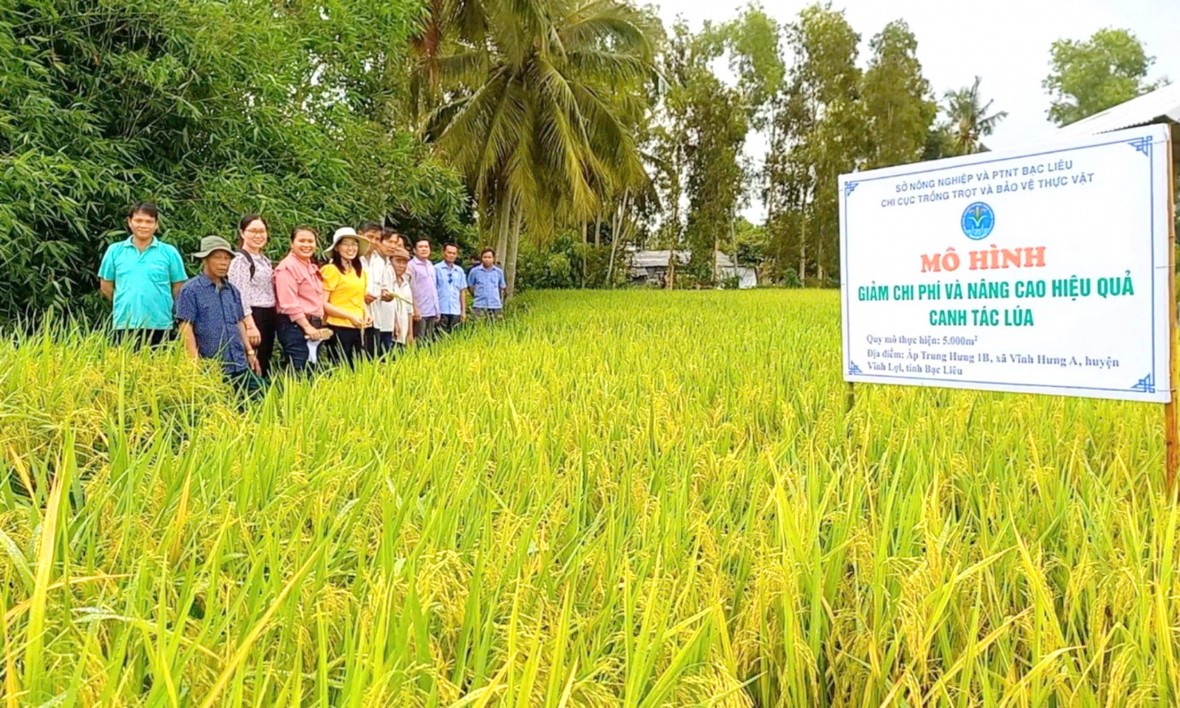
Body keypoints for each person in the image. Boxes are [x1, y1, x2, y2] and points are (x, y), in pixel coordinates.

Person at [175, 236, 263, 395]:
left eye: (227, 258)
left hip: (239, 362)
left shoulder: (232, 290)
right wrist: (193, 361)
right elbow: (185, 326)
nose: (223, 263)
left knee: (260, 400)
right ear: (205, 260)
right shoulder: (191, 290)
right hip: (211, 365)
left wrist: (249, 352)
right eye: (217, 257)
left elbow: (239, 322)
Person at [98, 202, 188, 347]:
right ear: (129, 222)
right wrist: (124, 301)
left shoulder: (169, 252)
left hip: (160, 323)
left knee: (157, 367)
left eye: (149, 221)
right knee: (124, 367)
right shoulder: (115, 251)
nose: (143, 225)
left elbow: (179, 287)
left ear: (156, 225)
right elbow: (106, 286)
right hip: (124, 323)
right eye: (138, 220)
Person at [274, 226, 333, 373]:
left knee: (311, 369)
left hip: (314, 325)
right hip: (296, 326)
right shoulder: (286, 268)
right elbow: (288, 303)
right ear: (291, 243)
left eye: (310, 241)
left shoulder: (310, 267)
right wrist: (307, 327)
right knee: (299, 371)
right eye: (301, 241)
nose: (306, 245)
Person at [227, 215, 277, 377]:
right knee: (254, 362)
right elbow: (239, 295)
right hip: (253, 316)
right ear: (242, 233)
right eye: (253, 231)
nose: (258, 236)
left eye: (262, 231)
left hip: (268, 315)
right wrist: (249, 325)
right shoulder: (240, 260)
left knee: (265, 360)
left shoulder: (264, 260)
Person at [321, 227, 373, 366]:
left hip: (357, 326)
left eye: (354, 244)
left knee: (356, 368)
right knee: (341, 368)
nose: (350, 248)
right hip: (338, 326)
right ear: (337, 248)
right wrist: (349, 316)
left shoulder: (359, 272)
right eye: (345, 244)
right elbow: (324, 303)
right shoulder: (331, 270)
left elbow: (359, 298)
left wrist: (366, 313)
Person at [365, 229, 399, 354]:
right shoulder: (356, 260)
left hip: (380, 319)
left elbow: (384, 288)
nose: (393, 246)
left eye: (396, 243)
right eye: (389, 241)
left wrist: (386, 294)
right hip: (359, 317)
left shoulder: (383, 263)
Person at [409, 238, 441, 342]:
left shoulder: (430, 265)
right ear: (414, 250)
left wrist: (437, 310)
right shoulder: (411, 266)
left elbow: (433, 289)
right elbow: (410, 288)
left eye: (426, 247)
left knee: (428, 341)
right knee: (419, 340)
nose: (424, 249)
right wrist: (415, 309)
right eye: (421, 247)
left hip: (431, 310)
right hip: (420, 311)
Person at [435, 242, 468, 332]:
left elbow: (462, 292)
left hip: (455, 310)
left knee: (454, 337)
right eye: (449, 252)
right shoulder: (436, 269)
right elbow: (433, 291)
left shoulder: (459, 271)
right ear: (443, 253)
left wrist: (463, 311)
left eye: (454, 253)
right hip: (441, 310)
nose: (451, 255)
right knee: (440, 337)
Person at [468, 248, 508, 319]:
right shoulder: (474, 271)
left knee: (496, 327)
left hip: (495, 305)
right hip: (479, 305)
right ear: (481, 258)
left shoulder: (499, 272)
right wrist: (476, 295)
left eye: (489, 257)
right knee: (479, 326)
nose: (487, 259)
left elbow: (502, 287)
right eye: (485, 257)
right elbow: (470, 286)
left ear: (493, 258)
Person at [390, 249, 415, 349]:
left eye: (404, 263)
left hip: (403, 333)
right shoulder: (387, 282)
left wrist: (410, 334)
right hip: (391, 332)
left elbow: (409, 310)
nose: (401, 265)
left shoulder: (406, 284)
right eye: (398, 261)